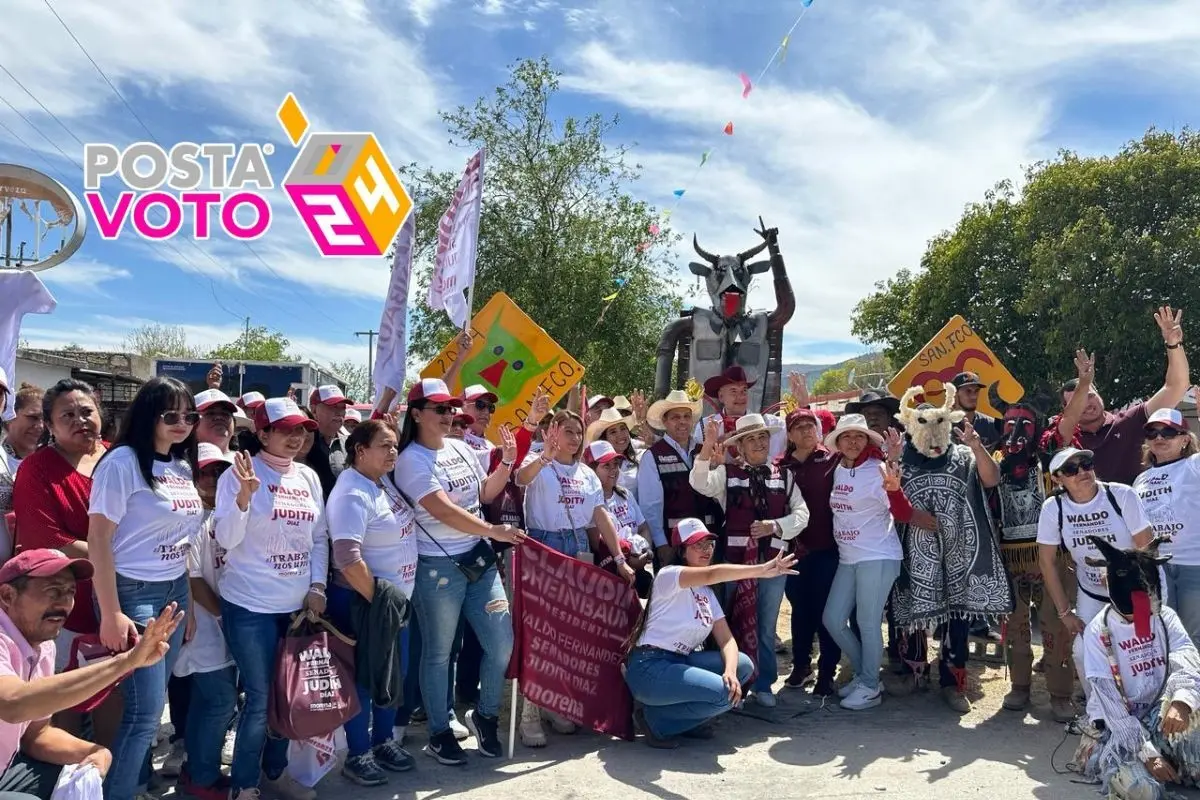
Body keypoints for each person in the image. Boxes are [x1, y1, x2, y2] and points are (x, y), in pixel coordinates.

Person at [392, 379, 526, 766]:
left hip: (478, 561)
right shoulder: (410, 460)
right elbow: (443, 509)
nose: (449, 415)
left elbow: (484, 494)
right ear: (416, 414)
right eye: (440, 409)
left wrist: (506, 463)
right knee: (438, 653)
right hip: (437, 568)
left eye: (451, 408)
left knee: (501, 642)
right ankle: (438, 731)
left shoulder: (460, 446)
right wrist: (493, 531)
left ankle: (485, 714)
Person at [87, 376, 202, 800]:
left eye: (189, 415)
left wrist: (186, 599)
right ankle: (118, 792)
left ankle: (134, 783)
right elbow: (98, 540)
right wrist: (112, 611)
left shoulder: (180, 465)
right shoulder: (121, 464)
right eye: (171, 415)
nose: (182, 423)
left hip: (173, 589)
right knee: (143, 712)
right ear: (148, 415)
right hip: (133, 592)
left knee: (150, 712)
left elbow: (182, 539)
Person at [215, 397, 329, 800]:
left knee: (288, 697)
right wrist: (244, 498)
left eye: (301, 430)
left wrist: (317, 587)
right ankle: (245, 784)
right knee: (262, 699)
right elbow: (226, 538)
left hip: (296, 610)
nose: (296, 437)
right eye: (286, 429)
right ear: (262, 433)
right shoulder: (238, 473)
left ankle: (275, 772)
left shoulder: (309, 478)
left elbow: (318, 538)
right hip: (250, 607)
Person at [0, 549, 182, 800]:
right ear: (7, 595)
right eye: (53, 591)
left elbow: (35, 734)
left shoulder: (43, 644)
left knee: (78, 777)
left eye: (70, 592)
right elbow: (13, 703)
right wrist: (125, 662)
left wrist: (93, 751)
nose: (64, 604)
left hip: (7, 769)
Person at [888, 385, 1010, 713]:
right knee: (909, 612)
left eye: (937, 422)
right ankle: (913, 673)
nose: (931, 430)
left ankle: (952, 682)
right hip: (913, 552)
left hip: (959, 551)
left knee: (958, 615)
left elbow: (992, 480)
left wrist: (977, 446)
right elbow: (887, 497)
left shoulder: (964, 455)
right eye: (923, 423)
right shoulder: (903, 459)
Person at [515, 410, 632, 744]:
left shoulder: (587, 474)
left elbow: (600, 516)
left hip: (578, 546)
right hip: (544, 546)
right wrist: (545, 456)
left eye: (578, 432)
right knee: (540, 631)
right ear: (552, 432)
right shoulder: (540, 463)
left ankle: (557, 703)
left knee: (569, 631)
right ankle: (530, 714)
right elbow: (520, 479)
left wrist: (619, 557)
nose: (574, 438)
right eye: (567, 431)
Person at [624, 518, 794, 748]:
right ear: (682, 551)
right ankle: (656, 721)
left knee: (744, 666)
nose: (706, 550)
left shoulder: (707, 594)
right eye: (697, 545)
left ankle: (681, 719)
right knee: (725, 696)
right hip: (650, 667)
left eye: (709, 544)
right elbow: (713, 574)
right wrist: (761, 570)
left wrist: (730, 671)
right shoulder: (669, 575)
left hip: (679, 662)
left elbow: (727, 640)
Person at [12, 380, 115, 740]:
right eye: (67, 415)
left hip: (120, 595)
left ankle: (111, 775)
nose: (80, 420)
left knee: (114, 687)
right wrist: (114, 564)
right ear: (51, 426)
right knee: (67, 691)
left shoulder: (119, 459)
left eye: (86, 411)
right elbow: (47, 539)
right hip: (64, 597)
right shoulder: (37, 469)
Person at [690, 413, 810, 709]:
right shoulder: (728, 475)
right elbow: (699, 481)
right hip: (737, 563)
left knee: (766, 626)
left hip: (773, 563)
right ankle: (737, 684)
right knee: (736, 619)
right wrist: (707, 447)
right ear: (740, 447)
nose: (758, 443)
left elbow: (802, 514)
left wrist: (775, 525)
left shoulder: (785, 475)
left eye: (762, 437)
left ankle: (764, 682)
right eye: (750, 439)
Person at [325, 419, 418, 787]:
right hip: (364, 603)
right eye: (384, 445)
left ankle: (383, 743)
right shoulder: (352, 492)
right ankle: (358, 752)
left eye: (394, 445)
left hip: (392, 603)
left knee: (394, 673)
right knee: (364, 679)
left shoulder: (381, 483)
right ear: (360, 450)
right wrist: (380, 602)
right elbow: (347, 558)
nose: (393, 451)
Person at [1074, 537, 1200, 800]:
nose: (1139, 618)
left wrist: (1182, 702)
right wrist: (1147, 754)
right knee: (1142, 790)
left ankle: (1178, 761)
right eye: (1131, 614)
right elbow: (1110, 702)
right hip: (1114, 730)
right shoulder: (1098, 632)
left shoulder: (1164, 617)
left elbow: (1186, 656)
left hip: (1159, 715)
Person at [988, 380, 1076, 722]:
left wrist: (1083, 384)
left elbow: (1066, 424)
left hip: (1052, 558)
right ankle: (1020, 687)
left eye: (1024, 425)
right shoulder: (996, 460)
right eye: (1009, 426)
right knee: (1016, 626)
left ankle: (1060, 692)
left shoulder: (1051, 458)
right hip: (1011, 557)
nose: (1016, 434)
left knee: (1056, 625)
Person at [1037, 447, 1155, 699]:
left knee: (1142, 650)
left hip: (1137, 589)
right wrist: (1065, 612)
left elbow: (1145, 548)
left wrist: (1118, 577)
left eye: (1086, 464)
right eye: (1071, 469)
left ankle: (1144, 709)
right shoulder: (1054, 508)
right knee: (1082, 651)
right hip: (1091, 592)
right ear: (1057, 478)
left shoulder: (1121, 495)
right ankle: (1099, 711)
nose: (1081, 471)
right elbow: (1046, 562)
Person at [819, 415, 916, 711]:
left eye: (859, 436)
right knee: (833, 620)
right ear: (837, 442)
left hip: (878, 555)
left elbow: (902, 514)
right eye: (846, 436)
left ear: (866, 441)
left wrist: (894, 488)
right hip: (849, 557)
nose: (852, 441)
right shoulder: (837, 468)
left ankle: (870, 685)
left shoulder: (877, 470)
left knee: (867, 622)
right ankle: (867, 675)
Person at [1046, 307, 1190, 485]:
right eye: (1079, 399)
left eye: (1090, 395)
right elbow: (1066, 424)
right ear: (1066, 408)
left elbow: (1177, 386)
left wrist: (1174, 344)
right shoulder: (1065, 439)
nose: (1087, 403)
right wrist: (1083, 384)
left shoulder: (1131, 420)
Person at [171, 443, 237, 800]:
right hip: (205, 626)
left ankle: (197, 769)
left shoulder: (224, 513)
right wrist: (228, 617)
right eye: (207, 471)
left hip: (219, 624)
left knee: (205, 700)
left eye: (221, 471)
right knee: (220, 701)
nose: (214, 478)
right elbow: (193, 578)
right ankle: (203, 776)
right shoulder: (192, 516)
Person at [777, 408, 840, 696]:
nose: (806, 431)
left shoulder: (832, 460)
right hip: (792, 551)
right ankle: (801, 664)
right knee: (800, 609)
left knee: (827, 610)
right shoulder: (779, 467)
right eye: (798, 426)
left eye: (810, 425)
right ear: (789, 434)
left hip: (828, 548)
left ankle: (828, 669)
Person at [1133, 408, 1200, 644]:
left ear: (1184, 439)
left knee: (1194, 634)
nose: (1159, 438)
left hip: (1194, 564)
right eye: (1153, 432)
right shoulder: (1141, 479)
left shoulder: (1193, 465)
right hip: (1157, 566)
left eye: (1168, 432)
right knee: (1164, 631)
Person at [637, 390, 715, 566]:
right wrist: (661, 544)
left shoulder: (705, 450)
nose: (682, 422)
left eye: (687, 416)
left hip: (708, 541)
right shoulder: (652, 456)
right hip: (674, 544)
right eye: (675, 417)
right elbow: (650, 506)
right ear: (664, 421)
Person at [585, 441, 653, 597]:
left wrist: (645, 550)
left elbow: (643, 527)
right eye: (606, 466)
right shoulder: (589, 501)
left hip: (639, 569)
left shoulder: (625, 494)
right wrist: (628, 559)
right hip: (610, 575)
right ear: (591, 470)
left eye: (615, 465)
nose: (613, 470)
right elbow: (597, 542)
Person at [693, 366, 786, 462]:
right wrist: (716, 444)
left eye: (744, 391)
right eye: (734, 391)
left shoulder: (768, 423)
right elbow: (697, 465)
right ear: (721, 396)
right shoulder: (705, 427)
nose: (740, 396)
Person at [1, 382, 44, 563]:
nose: (40, 426)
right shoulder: (2, 461)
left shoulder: (49, 463)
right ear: (10, 416)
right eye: (33, 418)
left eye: (44, 418)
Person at [305, 385, 351, 498]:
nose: (339, 412)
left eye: (342, 407)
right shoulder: (302, 441)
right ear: (314, 410)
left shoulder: (350, 443)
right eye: (333, 407)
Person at [586, 407, 641, 499]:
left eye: (623, 429)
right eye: (613, 432)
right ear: (604, 438)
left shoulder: (640, 458)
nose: (620, 435)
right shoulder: (595, 465)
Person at [950, 372, 1000, 449]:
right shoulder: (941, 426)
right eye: (968, 391)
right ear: (954, 393)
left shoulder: (992, 425)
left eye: (976, 391)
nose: (974, 396)